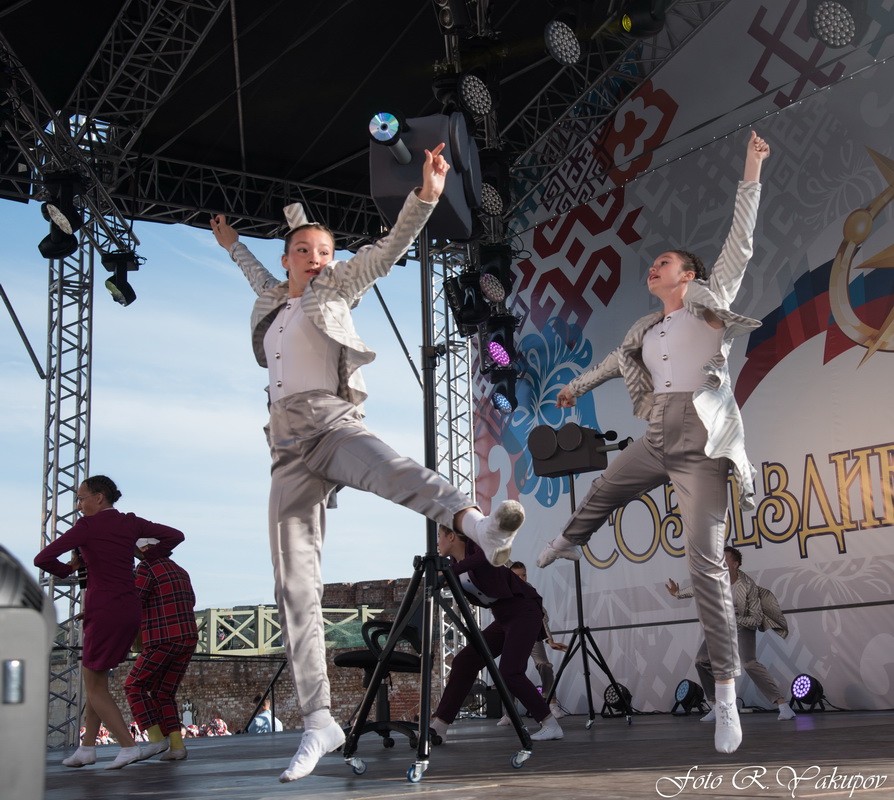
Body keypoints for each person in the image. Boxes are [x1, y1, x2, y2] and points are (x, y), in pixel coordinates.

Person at [210, 142, 525, 782]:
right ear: (288, 258)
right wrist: (231, 244)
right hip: (285, 448)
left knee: (394, 470)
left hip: (331, 423)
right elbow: (254, 274)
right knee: (293, 583)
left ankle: (477, 526)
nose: (316, 258)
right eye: (305, 250)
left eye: (324, 251)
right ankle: (319, 720)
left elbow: (386, 251)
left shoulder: (336, 287)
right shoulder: (272, 299)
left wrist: (425, 197)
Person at [536, 131, 772, 754]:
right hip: (659, 430)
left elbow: (741, 242)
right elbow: (615, 364)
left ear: (688, 275)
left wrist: (750, 170)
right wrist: (575, 387)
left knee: (706, 565)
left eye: (664, 263)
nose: (654, 268)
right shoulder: (646, 328)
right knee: (606, 486)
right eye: (655, 265)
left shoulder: (709, 303)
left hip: (703, 440)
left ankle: (727, 695)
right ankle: (569, 540)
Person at [34, 475, 185, 769]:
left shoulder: (87, 527)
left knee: (94, 686)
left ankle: (128, 746)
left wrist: (68, 569)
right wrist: (148, 555)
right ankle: (87, 748)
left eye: (81, 499)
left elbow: (43, 558)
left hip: (102, 608)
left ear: (98, 497)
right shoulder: (130, 522)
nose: (79, 506)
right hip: (128, 609)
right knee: (96, 681)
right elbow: (176, 535)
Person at [431, 526, 564, 742]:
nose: (437, 543)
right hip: (503, 617)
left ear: (452, 536)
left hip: (524, 610)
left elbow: (487, 554)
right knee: (464, 662)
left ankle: (550, 724)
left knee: (510, 672)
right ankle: (439, 726)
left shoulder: (475, 549)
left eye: (439, 537)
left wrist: (450, 571)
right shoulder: (454, 566)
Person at [666, 546, 795, 721]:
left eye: (724, 560)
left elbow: (756, 619)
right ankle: (717, 706)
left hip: (742, 624)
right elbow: (697, 589)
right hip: (720, 627)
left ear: (735, 564)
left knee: (748, 663)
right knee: (701, 660)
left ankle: (783, 705)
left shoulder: (748, 586)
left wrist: (735, 620)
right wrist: (677, 593)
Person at [124, 538, 199, 763]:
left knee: (134, 686)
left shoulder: (146, 567)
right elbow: (192, 601)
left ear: (145, 548)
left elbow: (134, 601)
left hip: (162, 638)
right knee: (163, 693)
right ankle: (176, 746)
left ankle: (156, 739)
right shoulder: (181, 570)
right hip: (187, 637)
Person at [496, 561, 568, 725]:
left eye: (524, 575)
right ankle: (509, 713)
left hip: (531, 635)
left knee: (545, 665)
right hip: (513, 636)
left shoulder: (529, 590)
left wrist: (550, 640)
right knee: (509, 671)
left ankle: (551, 703)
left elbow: (542, 616)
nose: (522, 578)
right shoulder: (503, 591)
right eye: (518, 576)